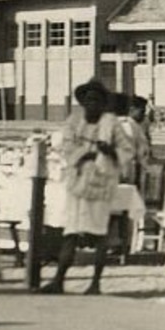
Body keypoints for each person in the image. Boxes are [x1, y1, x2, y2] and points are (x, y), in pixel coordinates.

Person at [42, 79, 135, 295]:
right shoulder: (73, 122)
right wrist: (87, 154)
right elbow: (66, 147)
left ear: (103, 103)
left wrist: (109, 151)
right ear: (82, 102)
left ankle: (95, 283)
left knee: (100, 234)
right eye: (88, 99)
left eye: (97, 100)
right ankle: (59, 280)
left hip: (102, 185)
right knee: (71, 232)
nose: (92, 104)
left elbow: (127, 151)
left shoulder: (112, 124)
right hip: (77, 184)